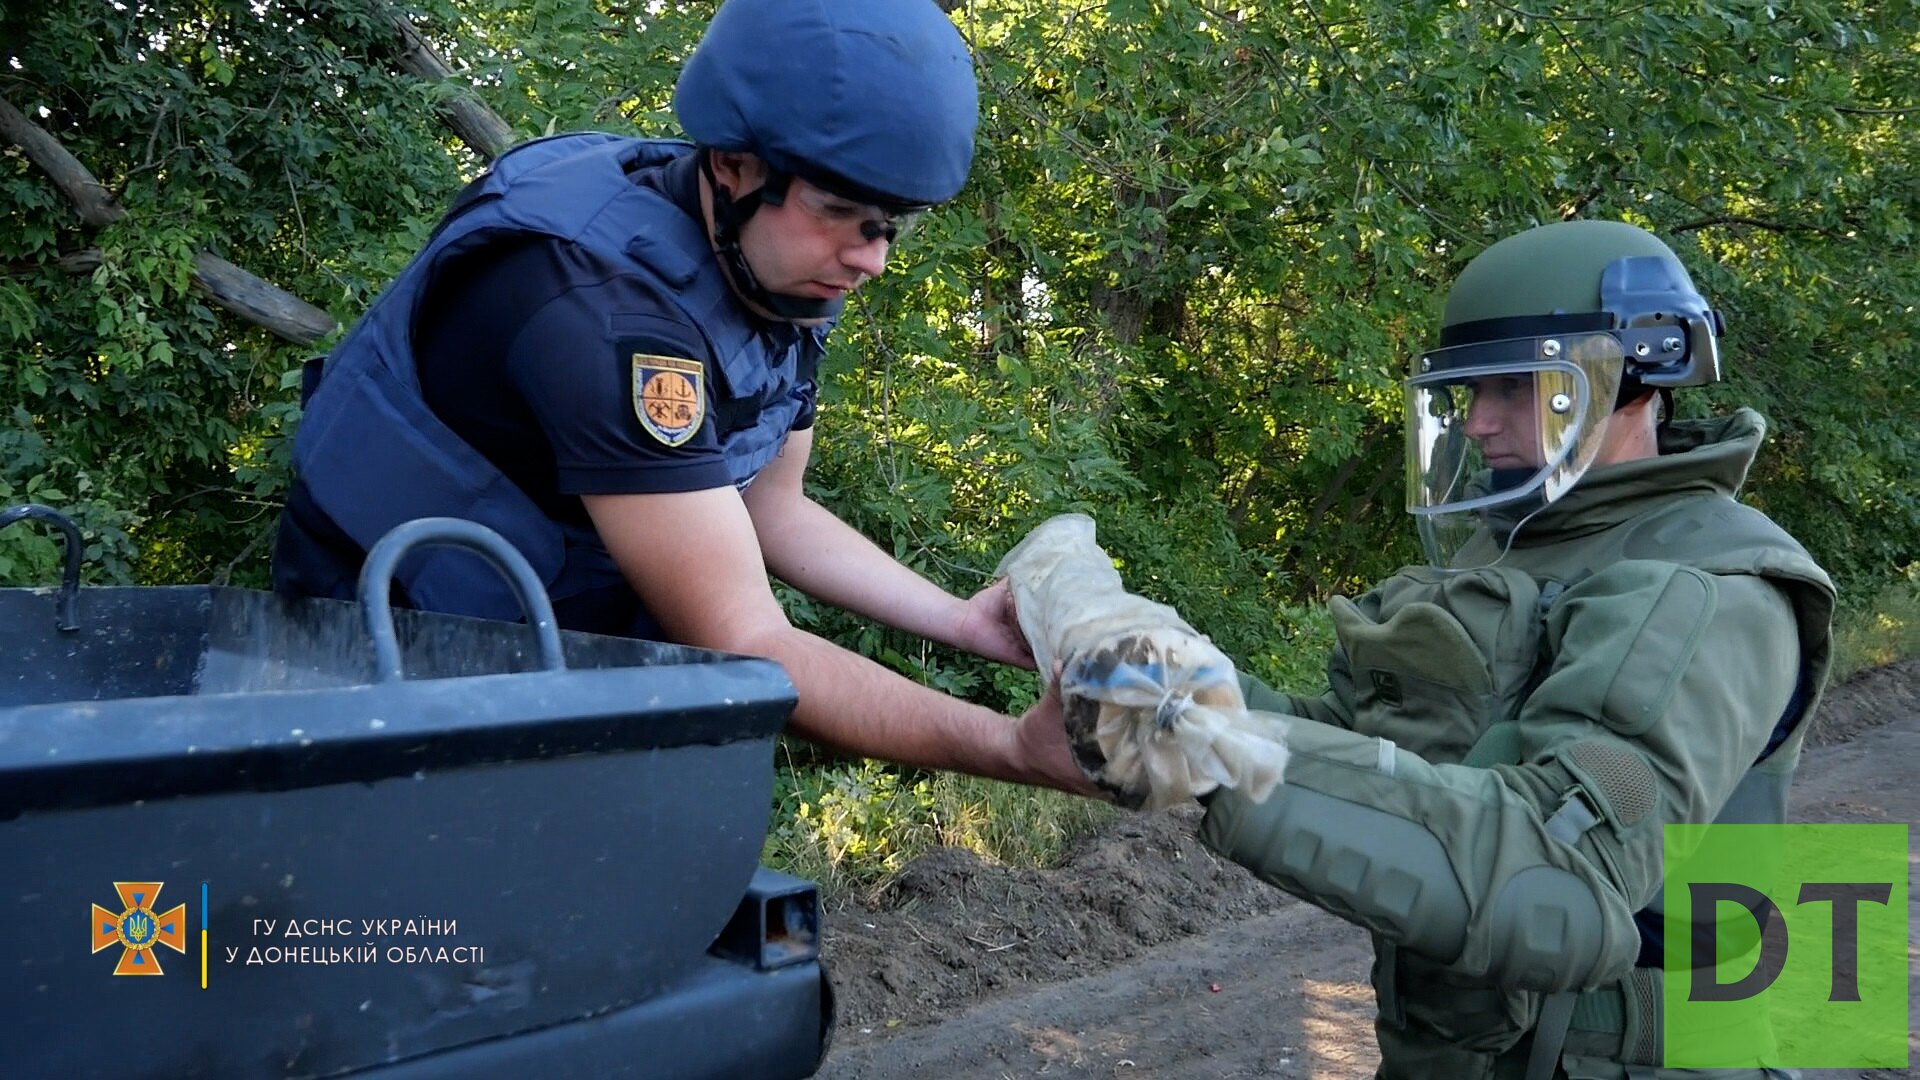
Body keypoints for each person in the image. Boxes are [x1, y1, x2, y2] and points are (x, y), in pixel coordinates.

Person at [272, 0, 1089, 793]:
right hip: (390, 635)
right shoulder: (600, 312)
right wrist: (1014, 749)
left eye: (889, 224)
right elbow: (743, 637)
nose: (869, 258)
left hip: (552, 611)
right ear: (733, 164)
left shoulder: (774, 263)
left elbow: (773, 508)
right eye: (840, 212)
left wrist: (958, 621)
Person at [1191, 220, 1834, 1079]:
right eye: (1469, 393)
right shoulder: (1519, 547)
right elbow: (1353, 744)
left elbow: (1558, 870)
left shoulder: (1713, 584)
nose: (1482, 424)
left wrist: (1186, 743)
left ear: (1636, 381)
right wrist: (1146, 670)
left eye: (1519, 386)